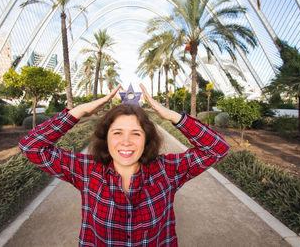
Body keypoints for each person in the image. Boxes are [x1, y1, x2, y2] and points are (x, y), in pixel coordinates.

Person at [19, 84, 229, 246]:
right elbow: (31, 147)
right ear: (105, 138)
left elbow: (217, 148)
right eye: (117, 133)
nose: (126, 142)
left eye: (136, 134)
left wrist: (172, 116)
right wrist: (80, 111)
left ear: (147, 139)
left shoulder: (167, 171)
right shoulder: (87, 170)